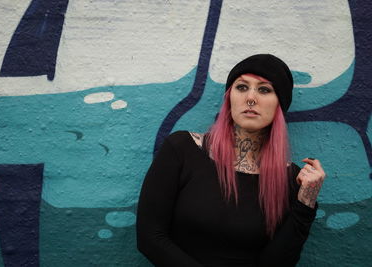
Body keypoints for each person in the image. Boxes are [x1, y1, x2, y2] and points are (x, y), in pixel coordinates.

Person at [136, 54, 326, 267]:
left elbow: (276, 263)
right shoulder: (182, 149)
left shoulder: (291, 178)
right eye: (242, 87)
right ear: (229, 97)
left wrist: (305, 203)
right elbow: (149, 237)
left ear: (279, 105)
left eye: (264, 89)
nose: (251, 98)